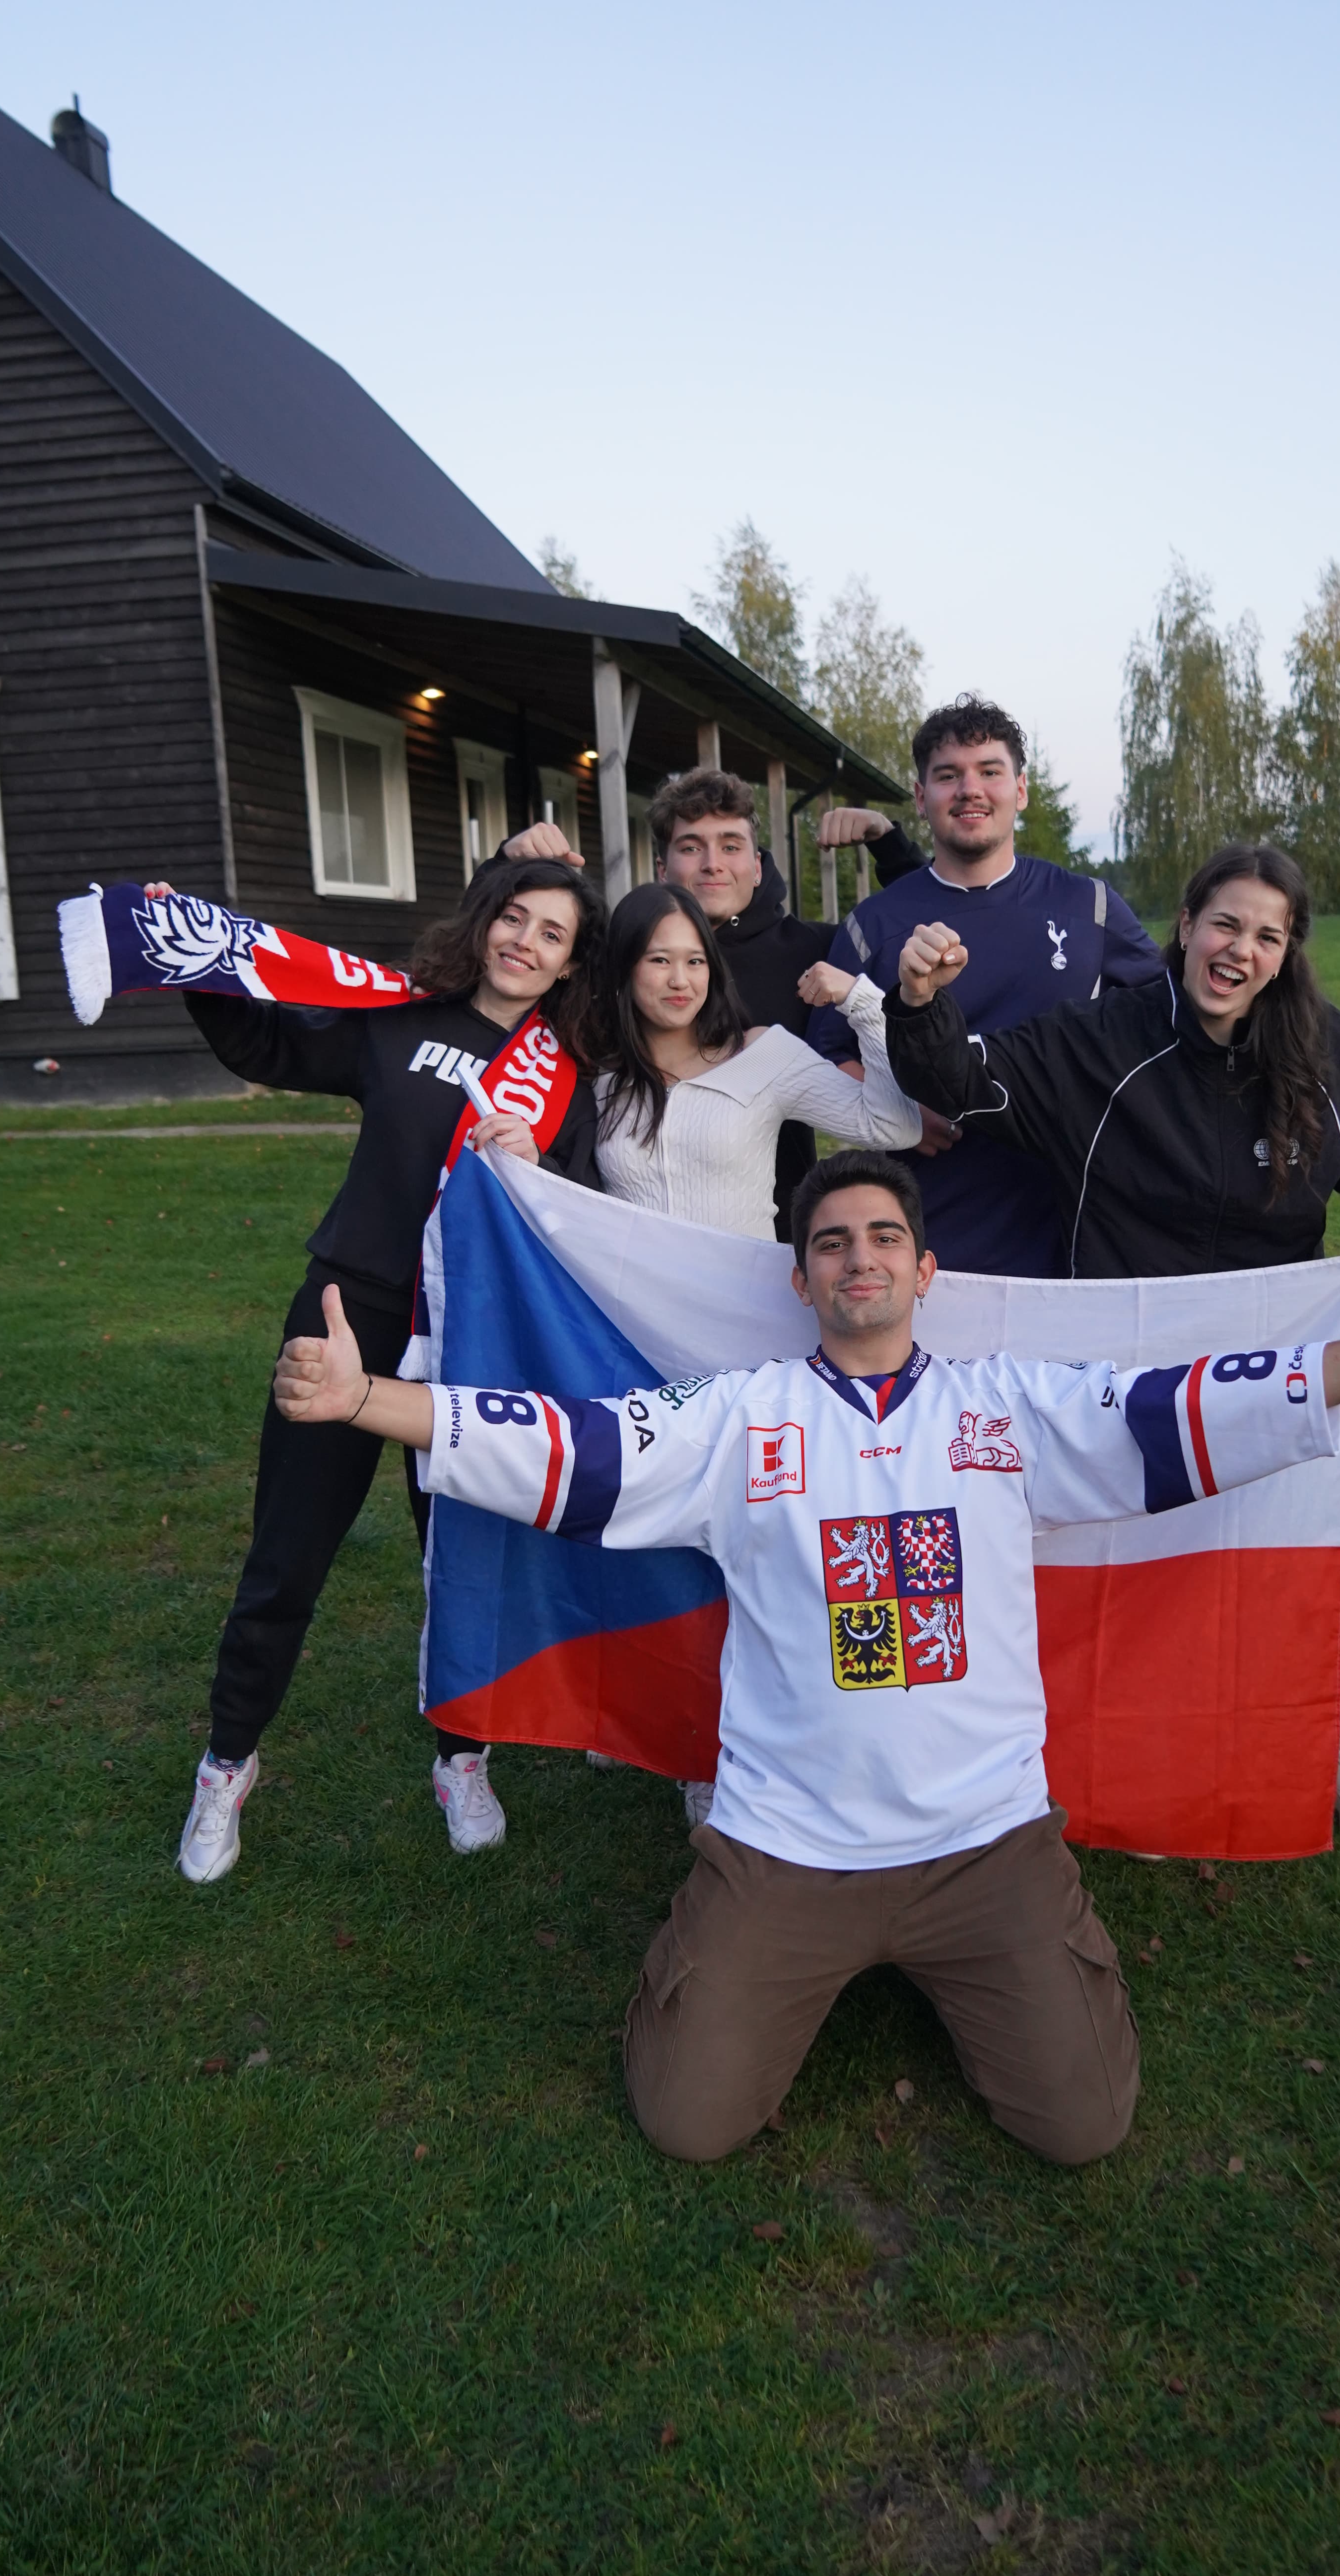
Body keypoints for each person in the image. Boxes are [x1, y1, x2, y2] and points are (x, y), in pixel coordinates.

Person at [270, 1149, 1340, 2163]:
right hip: (787, 1843)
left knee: (1082, 2125)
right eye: (833, 1241)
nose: (860, 1257)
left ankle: (1005, 1952)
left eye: (884, 1236)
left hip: (983, 1840)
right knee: (687, 2121)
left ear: (924, 1269)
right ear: (799, 1278)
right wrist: (369, 1396)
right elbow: (573, 1446)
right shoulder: (740, 1417)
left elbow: (1181, 1411)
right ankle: (733, 1943)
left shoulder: (1003, 1408)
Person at [882, 840, 1340, 1850]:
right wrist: (918, 1001)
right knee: (1108, 1562)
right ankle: (1078, 1742)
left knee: (1333, 1532)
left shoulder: (1318, 1042)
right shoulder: (1103, 1039)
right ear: (1186, 926)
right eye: (1225, 923)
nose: (1241, 949)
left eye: (1268, 935)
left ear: (1288, 953)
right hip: (1125, 1367)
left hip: (1277, 1353)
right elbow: (961, 1082)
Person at [160, 857, 606, 1884]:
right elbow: (264, 1040)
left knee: (457, 1558)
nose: (524, 943)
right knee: (287, 1555)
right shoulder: (401, 1019)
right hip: (345, 1314)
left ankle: (462, 1758)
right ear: (484, 921)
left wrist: (534, 1169)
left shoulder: (566, 1078)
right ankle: (228, 1763)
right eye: (513, 919)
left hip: (468, 1345)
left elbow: (581, 1218)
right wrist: (195, 963)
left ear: (570, 963)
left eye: (551, 934)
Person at [510, 880, 921, 1830]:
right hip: (632, 1349)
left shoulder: (765, 1056)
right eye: (658, 958)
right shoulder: (595, 1076)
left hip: (747, 1348)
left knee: (766, 1547)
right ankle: (697, 1747)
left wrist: (863, 1005)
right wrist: (517, 1167)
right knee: (671, 1550)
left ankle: (792, 1742)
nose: (681, 977)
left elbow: (894, 1128)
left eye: (695, 958)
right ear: (624, 970)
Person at [805, 695, 1164, 1275]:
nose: (970, 789)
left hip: (1072, 1222)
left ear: (1020, 790)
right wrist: (895, 1109)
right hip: (931, 1227)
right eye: (948, 776)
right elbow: (825, 1056)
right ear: (922, 799)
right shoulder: (874, 924)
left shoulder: (1089, 906)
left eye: (990, 772)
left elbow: (1168, 1023)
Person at [502, 767, 923, 1236]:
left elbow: (922, 930)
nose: (712, 864)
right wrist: (507, 865)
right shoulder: (611, 991)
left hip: (771, 1240)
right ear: (663, 869)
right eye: (690, 847)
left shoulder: (813, 952)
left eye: (730, 846)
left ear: (758, 865)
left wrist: (887, 842)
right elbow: (508, 962)